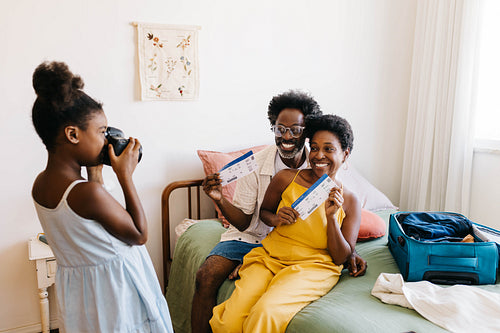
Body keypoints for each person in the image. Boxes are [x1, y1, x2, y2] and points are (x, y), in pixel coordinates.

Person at [192, 91, 366, 333]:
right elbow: (249, 219)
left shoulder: (324, 171)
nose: (287, 136)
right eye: (280, 129)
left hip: (308, 260)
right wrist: (221, 200)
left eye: (295, 130)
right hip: (253, 239)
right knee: (210, 284)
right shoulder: (268, 169)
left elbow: (342, 237)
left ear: (305, 133)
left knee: (264, 314)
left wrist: (350, 250)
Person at [30, 61, 173, 333]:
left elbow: (93, 230)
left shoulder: (41, 185)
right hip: (117, 294)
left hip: (85, 298)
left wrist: (95, 171)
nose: (105, 138)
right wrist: (125, 176)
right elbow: (139, 234)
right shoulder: (86, 192)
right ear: (72, 134)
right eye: (100, 131)